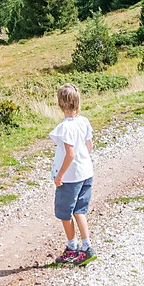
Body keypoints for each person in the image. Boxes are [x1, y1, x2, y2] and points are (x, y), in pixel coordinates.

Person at [48, 82, 95, 265]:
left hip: (70, 177)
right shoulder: (84, 122)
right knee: (79, 210)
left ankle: (72, 246)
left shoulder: (64, 127)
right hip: (86, 172)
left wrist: (59, 175)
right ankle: (86, 245)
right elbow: (89, 146)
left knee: (65, 213)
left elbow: (70, 154)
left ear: (60, 103)